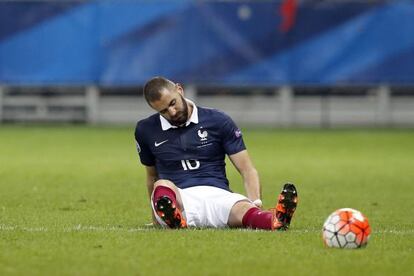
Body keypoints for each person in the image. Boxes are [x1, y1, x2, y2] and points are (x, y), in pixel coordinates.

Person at [134, 76, 298, 230]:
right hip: (179, 200)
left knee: (244, 208)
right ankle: (173, 218)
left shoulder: (217, 120)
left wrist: (255, 202)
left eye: (173, 103)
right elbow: (151, 176)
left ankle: (276, 220)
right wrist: (155, 215)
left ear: (180, 90)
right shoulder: (145, 130)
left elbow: (247, 169)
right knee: (161, 185)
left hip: (218, 195)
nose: (172, 112)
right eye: (163, 111)